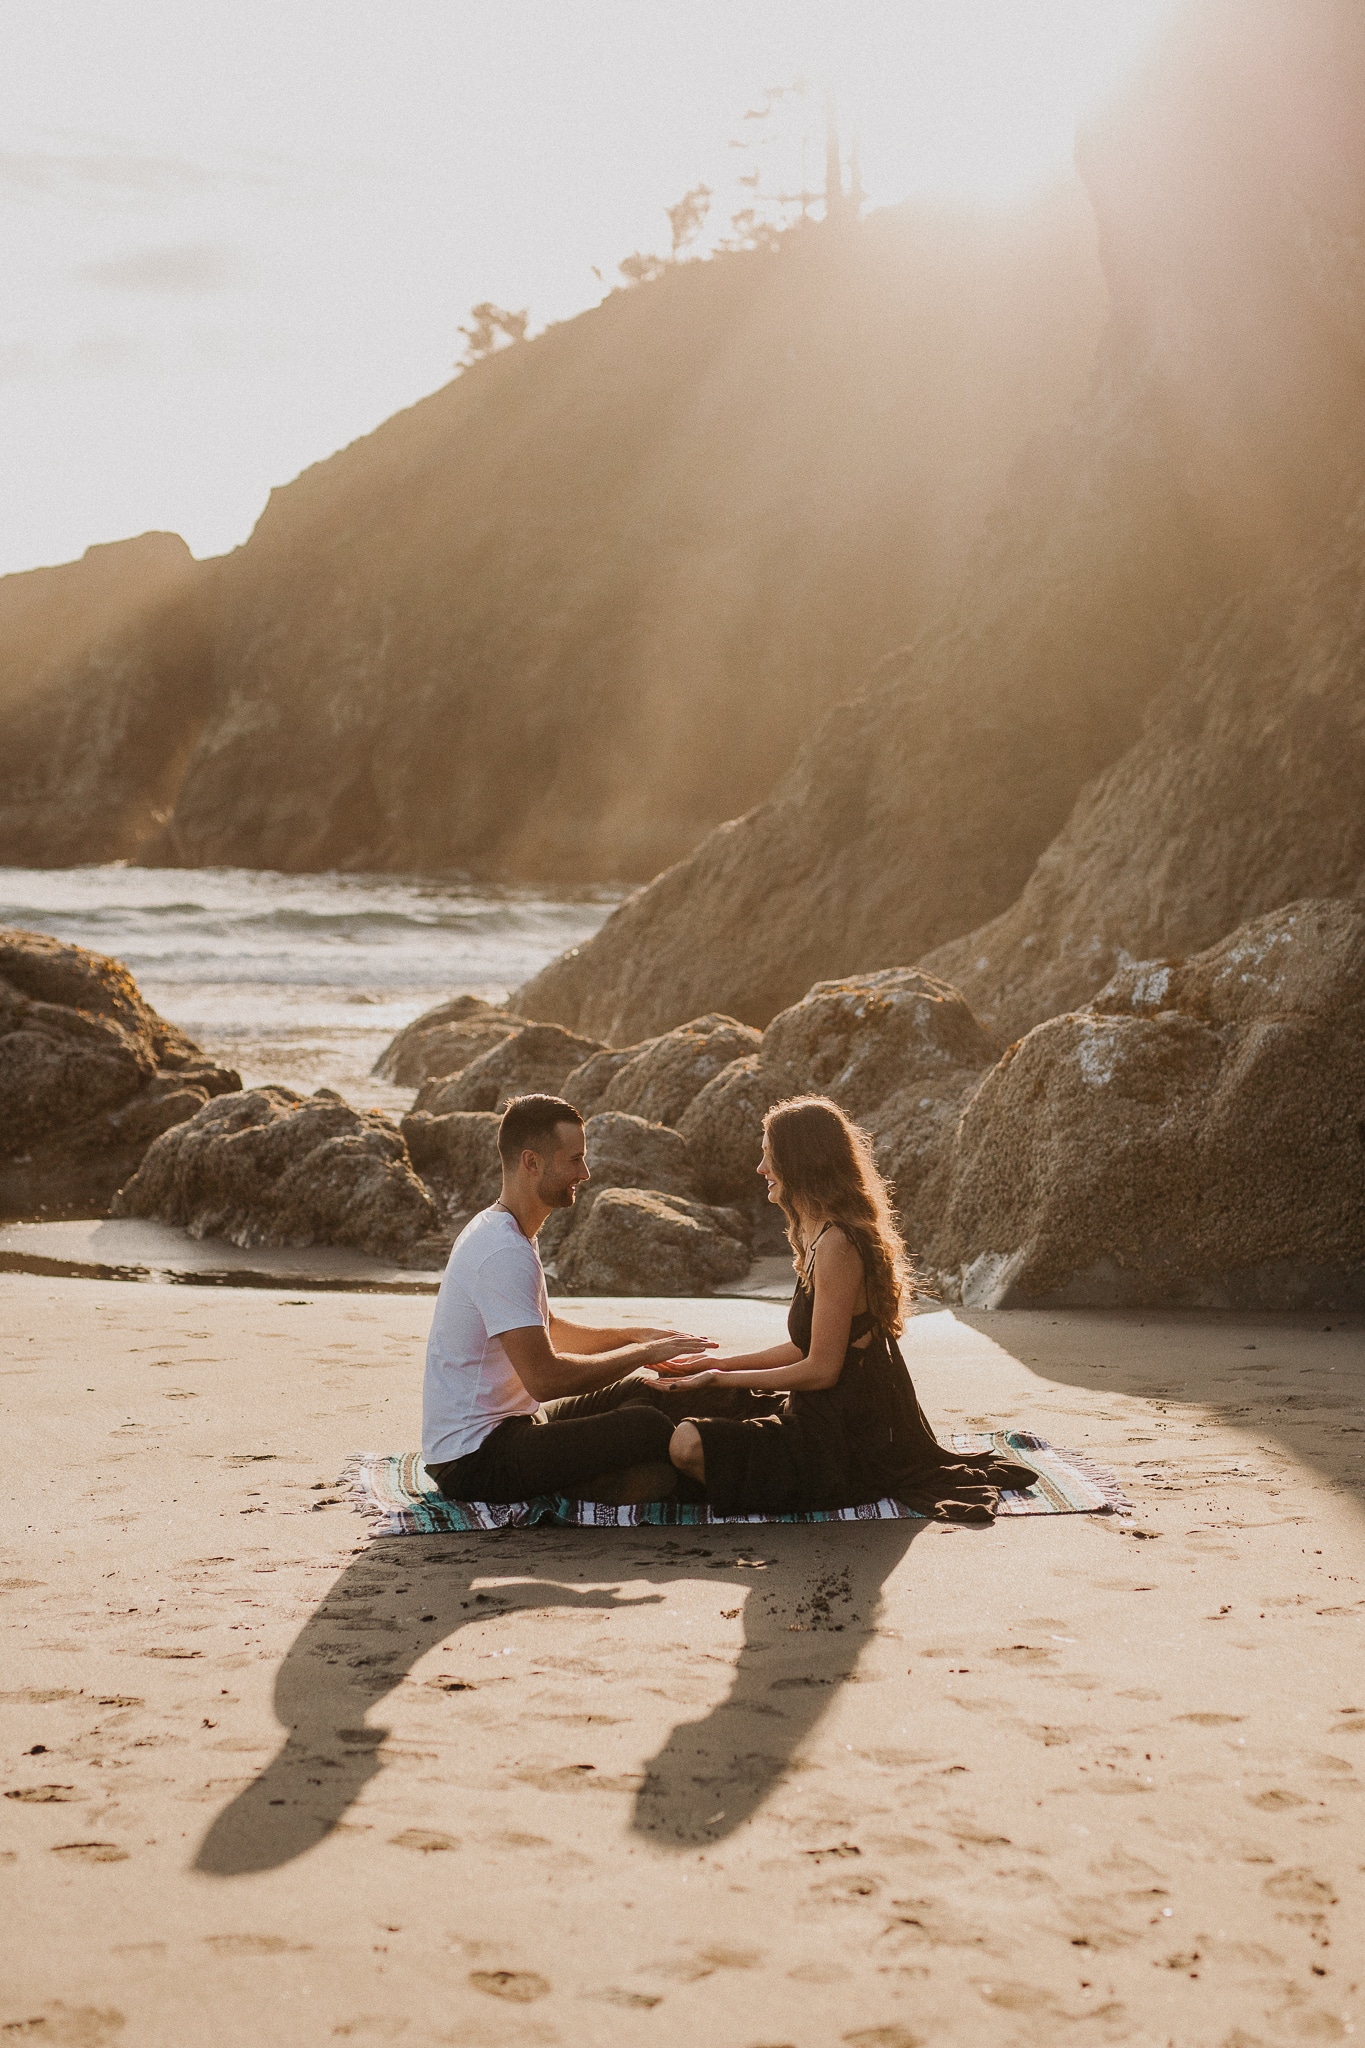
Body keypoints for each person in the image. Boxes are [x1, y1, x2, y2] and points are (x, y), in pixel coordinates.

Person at [655, 1095, 1038, 1521]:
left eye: (769, 1156)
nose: (760, 1169)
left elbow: (821, 1369)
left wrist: (716, 1379)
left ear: (801, 1161)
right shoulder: (815, 1232)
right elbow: (807, 1346)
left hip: (846, 1434)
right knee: (692, 1413)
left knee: (686, 1442)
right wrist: (719, 1365)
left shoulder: (838, 1244)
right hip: (822, 1410)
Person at [422, 1093, 715, 1506]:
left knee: (652, 1391)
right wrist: (643, 1351)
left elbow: (549, 1329)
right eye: (574, 1159)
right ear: (531, 1162)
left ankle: (635, 1473)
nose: (586, 1172)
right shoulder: (502, 1251)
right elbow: (547, 1379)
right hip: (474, 1460)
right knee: (644, 1426)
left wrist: (634, 1337)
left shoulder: (507, 1231)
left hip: (514, 1429)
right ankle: (720, 1481)